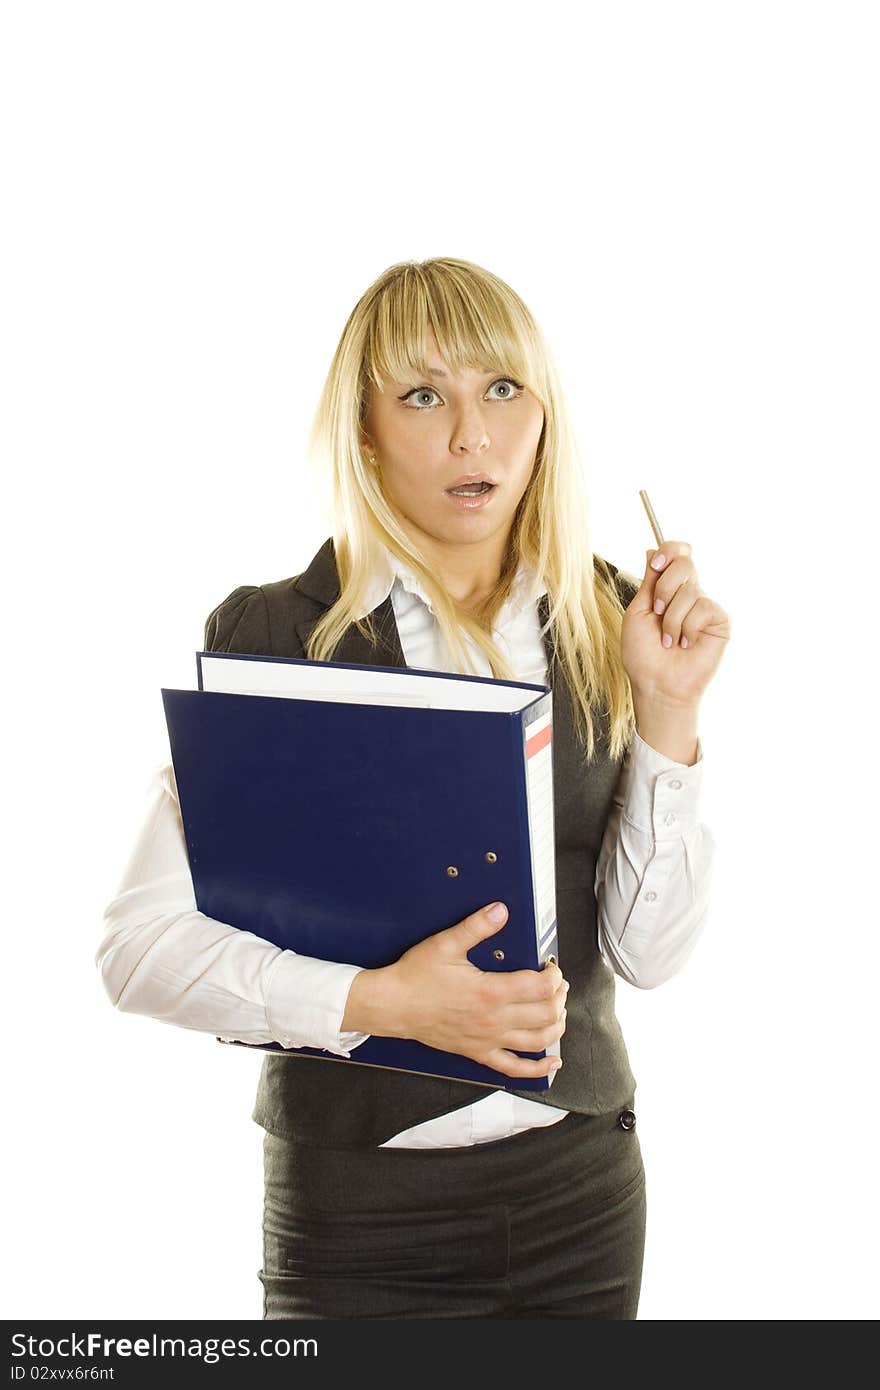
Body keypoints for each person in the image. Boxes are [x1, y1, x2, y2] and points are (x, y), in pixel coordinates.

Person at [97, 256, 730, 1319]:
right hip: (360, 1222)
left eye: (500, 390)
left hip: (581, 1198)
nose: (470, 437)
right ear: (364, 427)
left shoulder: (610, 616)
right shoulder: (274, 635)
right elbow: (139, 949)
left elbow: (647, 958)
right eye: (423, 395)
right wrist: (377, 1002)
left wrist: (668, 711)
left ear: (544, 414)